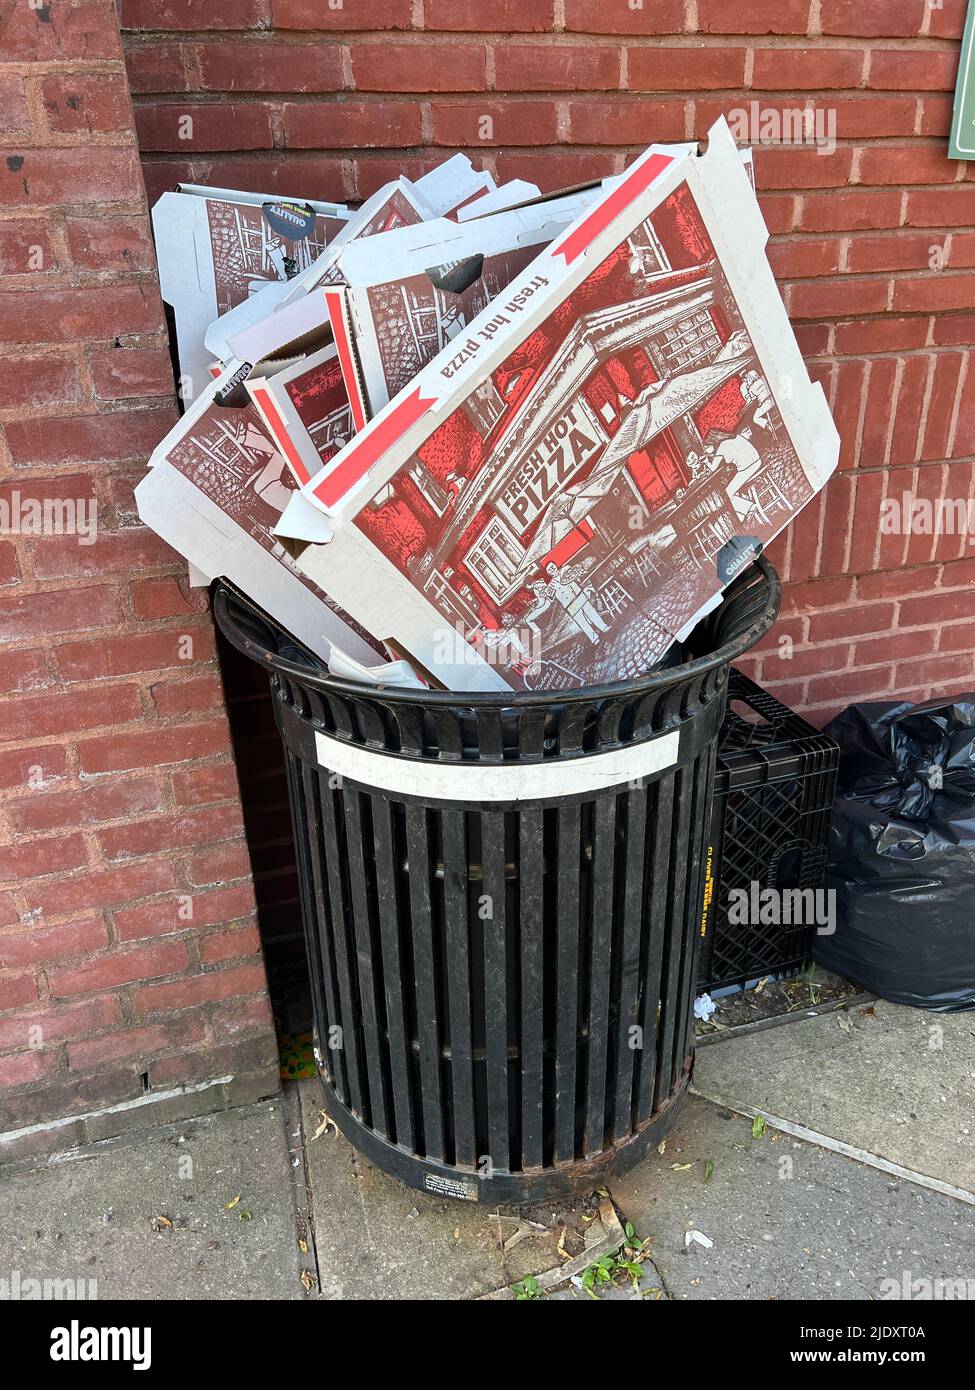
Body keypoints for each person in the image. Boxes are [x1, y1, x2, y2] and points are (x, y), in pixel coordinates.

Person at [544, 561, 609, 645]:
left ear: (556, 565)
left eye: (552, 566)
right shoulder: (551, 585)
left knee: (591, 612)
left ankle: (603, 627)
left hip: (578, 595)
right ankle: (594, 638)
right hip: (570, 604)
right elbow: (551, 598)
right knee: (581, 621)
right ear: (548, 573)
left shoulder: (566, 569)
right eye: (549, 569)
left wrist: (581, 572)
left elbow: (578, 573)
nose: (552, 569)